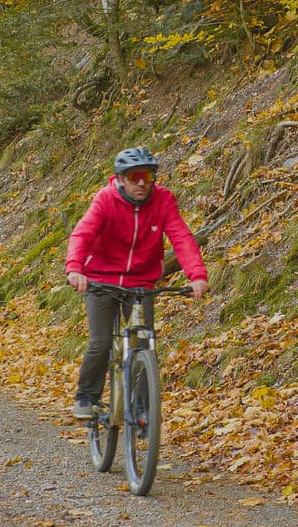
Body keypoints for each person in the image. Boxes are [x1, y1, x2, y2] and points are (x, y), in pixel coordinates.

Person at [64, 147, 208, 418]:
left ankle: (141, 408)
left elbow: (181, 237)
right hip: (100, 279)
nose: (142, 182)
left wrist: (197, 275)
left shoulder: (163, 200)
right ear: (120, 179)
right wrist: (75, 269)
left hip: (141, 281)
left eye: (148, 176)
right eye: (134, 176)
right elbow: (82, 234)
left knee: (144, 342)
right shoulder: (105, 199)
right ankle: (86, 397)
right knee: (101, 342)